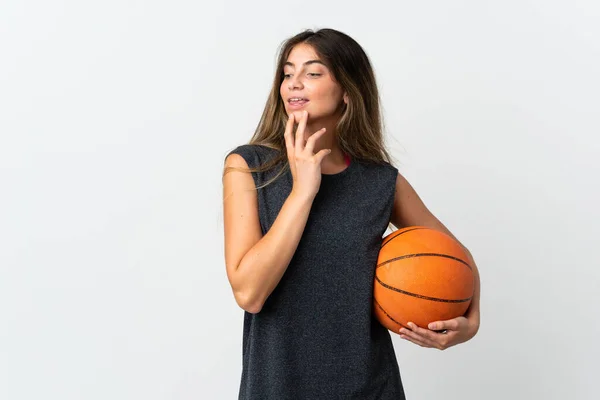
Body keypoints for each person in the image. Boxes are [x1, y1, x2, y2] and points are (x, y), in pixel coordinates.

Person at [222, 28, 481, 400]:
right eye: (288, 73)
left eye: (313, 73)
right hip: (277, 387)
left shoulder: (379, 181)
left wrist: (470, 323)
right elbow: (250, 293)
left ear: (347, 90)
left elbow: (457, 257)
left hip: (371, 388)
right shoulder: (248, 167)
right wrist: (303, 191)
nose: (295, 83)